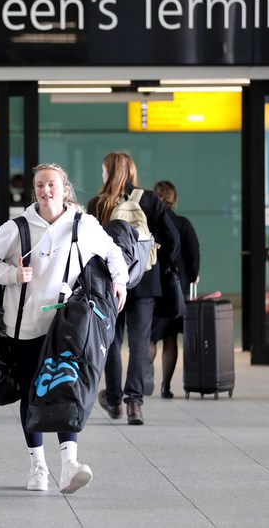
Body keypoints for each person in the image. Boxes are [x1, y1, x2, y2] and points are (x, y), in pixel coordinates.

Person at [0, 163, 128, 495]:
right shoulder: (17, 228)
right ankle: (37, 467)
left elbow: (113, 253)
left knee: (65, 389)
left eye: (53, 185)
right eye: (41, 185)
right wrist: (13, 276)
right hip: (25, 325)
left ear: (64, 189)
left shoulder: (83, 225)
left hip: (66, 326)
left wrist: (120, 282)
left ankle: (70, 463)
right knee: (32, 393)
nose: (47, 191)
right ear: (35, 191)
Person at [88, 152, 179, 425]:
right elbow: (172, 238)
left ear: (109, 173)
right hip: (145, 281)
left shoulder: (98, 204)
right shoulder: (150, 200)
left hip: (110, 282)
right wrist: (156, 262)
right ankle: (134, 404)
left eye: (104, 171)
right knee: (140, 344)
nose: (102, 175)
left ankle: (114, 400)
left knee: (111, 342)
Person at [148, 180, 201, 399]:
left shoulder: (149, 223)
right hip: (175, 289)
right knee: (170, 338)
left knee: (148, 338)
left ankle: (143, 377)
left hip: (151, 287)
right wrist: (193, 276)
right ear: (174, 198)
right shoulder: (182, 224)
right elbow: (194, 256)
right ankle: (165, 387)